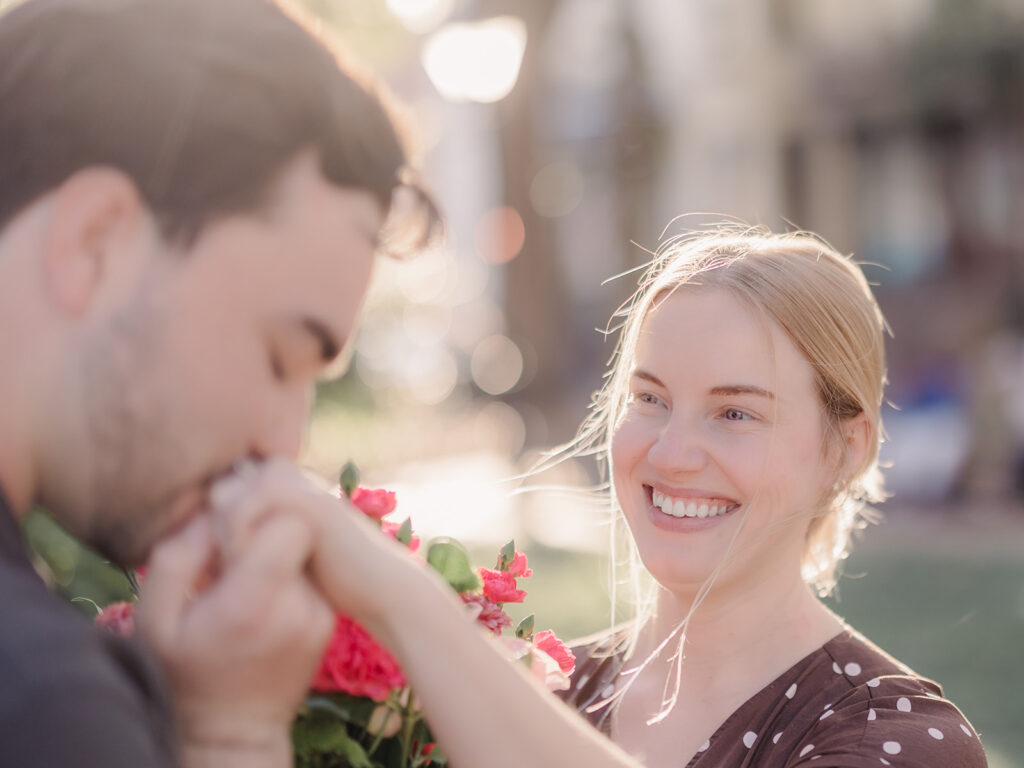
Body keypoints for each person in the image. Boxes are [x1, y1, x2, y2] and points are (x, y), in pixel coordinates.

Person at [212, 228, 989, 768]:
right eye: (649, 399)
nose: (672, 454)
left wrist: (407, 608)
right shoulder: (529, 686)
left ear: (846, 448)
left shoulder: (899, 742)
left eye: (735, 412)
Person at [0, 0, 440, 766]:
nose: (282, 445)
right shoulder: (43, 702)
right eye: (280, 356)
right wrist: (231, 738)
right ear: (95, 240)